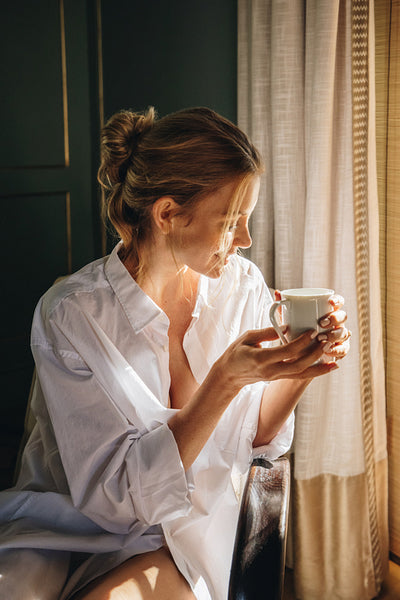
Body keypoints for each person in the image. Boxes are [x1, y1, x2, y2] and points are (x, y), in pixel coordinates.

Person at [0, 107, 350, 600]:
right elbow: (116, 503)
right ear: (167, 214)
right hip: (81, 529)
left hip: (193, 525)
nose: (245, 242)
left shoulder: (241, 287)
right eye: (231, 222)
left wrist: (304, 365)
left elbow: (260, 438)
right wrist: (224, 381)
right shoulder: (73, 316)